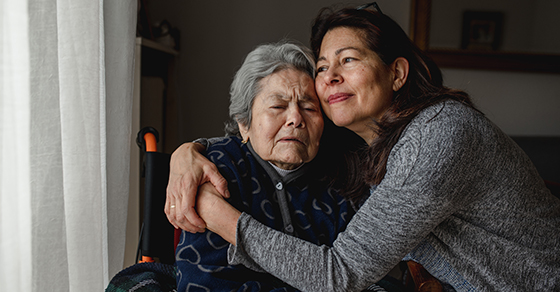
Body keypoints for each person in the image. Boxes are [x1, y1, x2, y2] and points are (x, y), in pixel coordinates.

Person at [167, 4, 560, 292]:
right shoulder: (367, 148)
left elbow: (338, 274)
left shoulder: (437, 136)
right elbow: (267, 137)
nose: (331, 76)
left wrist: (215, 213)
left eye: (349, 59)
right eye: (322, 67)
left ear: (397, 73)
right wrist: (187, 152)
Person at [173, 41, 360, 292]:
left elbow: (357, 277)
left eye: (308, 107)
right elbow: (202, 283)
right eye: (278, 107)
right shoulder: (217, 169)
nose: (295, 119)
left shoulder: (342, 179)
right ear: (244, 123)